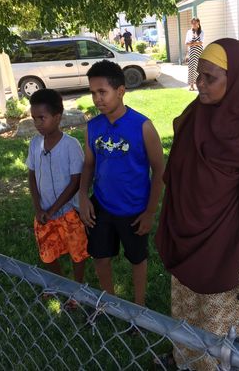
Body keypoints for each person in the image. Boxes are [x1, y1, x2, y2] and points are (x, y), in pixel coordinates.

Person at [155, 39, 239, 370]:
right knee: (190, 321)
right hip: (187, 244)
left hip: (229, 254)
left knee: (224, 340)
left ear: (237, 81)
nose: (199, 84)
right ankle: (185, 362)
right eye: (198, 74)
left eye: (210, 77)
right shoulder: (194, 117)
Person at [79, 60, 164, 307]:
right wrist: (83, 196)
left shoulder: (142, 126)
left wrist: (149, 212)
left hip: (135, 209)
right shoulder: (93, 127)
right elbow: (88, 165)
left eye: (102, 92)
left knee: (137, 258)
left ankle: (138, 307)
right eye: (93, 92)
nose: (97, 99)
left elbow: (159, 170)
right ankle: (110, 302)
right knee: (100, 256)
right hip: (102, 205)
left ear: (121, 91)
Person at [26, 89, 89, 286]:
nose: (37, 123)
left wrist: (54, 209)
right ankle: (59, 284)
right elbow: (32, 175)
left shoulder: (71, 145)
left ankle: (77, 287)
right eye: (34, 118)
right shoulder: (35, 144)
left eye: (42, 118)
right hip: (44, 213)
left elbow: (76, 181)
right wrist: (39, 209)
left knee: (77, 252)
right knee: (48, 251)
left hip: (69, 212)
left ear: (57, 117)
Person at [185, 18, 204, 91]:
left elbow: (201, 42)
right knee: (191, 69)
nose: (194, 24)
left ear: (198, 23)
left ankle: (199, 85)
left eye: (195, 23)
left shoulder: (201, 32)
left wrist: (192, 43)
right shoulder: (189, 32)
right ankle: (191, 85)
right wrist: (195, 43)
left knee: (199, 69)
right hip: (192, 53)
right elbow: (186, 43)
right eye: (192, 23)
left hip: (199, 53)